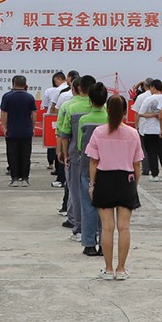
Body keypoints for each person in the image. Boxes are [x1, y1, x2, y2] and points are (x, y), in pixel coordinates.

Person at [86, 93, 142, 280]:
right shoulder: (133, 133)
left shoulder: (99, 132)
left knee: (107, 227)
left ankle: (108, 269)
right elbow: (137, 164)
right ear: (125, 111)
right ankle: (121, 269)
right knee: (124, 227)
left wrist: (92, 184)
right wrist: (134, 185)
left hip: (104, 180)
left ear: (107, 110)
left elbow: (93, 161)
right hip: (126, 179)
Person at [71, 83, 111, 257]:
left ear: (90, 100)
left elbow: (81, 145)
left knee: (88, 205)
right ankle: (104, 244)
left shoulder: (84, 120)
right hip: (108, 166)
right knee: (105, 206)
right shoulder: (110, 119)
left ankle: (89, 244)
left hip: (88, 165)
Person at [55, 75, 94, 237]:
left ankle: (78, 228)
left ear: (76, 88)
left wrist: (62, 153)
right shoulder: (102, 107)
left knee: (76, 192)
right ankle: (95, 230)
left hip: (76, 155)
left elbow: (62, 133)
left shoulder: (69, 107)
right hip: (98, 157)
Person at [0, 75, 38, 186]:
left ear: (13, 84)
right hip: (26, 130)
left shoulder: (7, 97)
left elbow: (4, 113)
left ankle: (15, 178)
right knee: (26, 155)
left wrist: (4, 127)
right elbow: (34, 114)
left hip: (12, 130)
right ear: (25, 84)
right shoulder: (30, 97)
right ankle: (25, 178)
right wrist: (32, 127)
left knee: (13, 155)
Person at [134, 79, 162, 180]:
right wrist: (157, 114)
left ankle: (154, 174)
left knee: (151, 153)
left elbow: (140, 113)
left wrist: (152, 115)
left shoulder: (147, 99)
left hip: (149, 130)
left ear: (153, 88)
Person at [43, 71, 67, 177]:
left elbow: (52, 107)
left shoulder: (57, 91)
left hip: (56, 121)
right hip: (65, 122)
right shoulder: (69, 91)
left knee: (55, 145)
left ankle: (55, 166)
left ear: (58, 79)